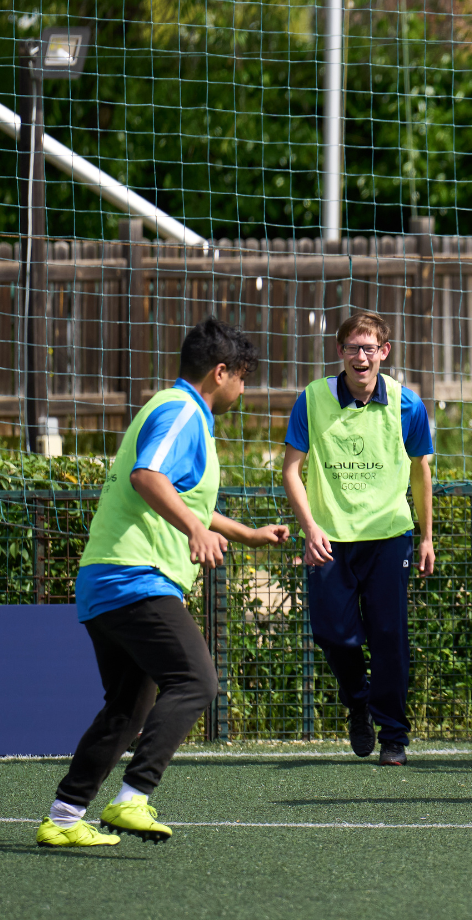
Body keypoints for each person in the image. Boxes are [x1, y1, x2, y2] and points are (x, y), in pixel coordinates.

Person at [37, 319, 290, 848]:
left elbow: (182, 494)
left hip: (107, 579)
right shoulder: (182, 411)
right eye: (242, 378)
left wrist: (245, 533)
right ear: (220, 372)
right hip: (133, 576)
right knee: (196, 681)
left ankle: (62, 817)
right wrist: (195, 530)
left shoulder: (174, 410)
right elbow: (147, 477)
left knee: (128, 707)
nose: (243, 391)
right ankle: (133, 798)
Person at [281, 312, 435, 767]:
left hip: (389, 537)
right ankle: (358, 702)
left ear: (384, 352)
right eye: (353, 348)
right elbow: (291, 470)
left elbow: (421, 472)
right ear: (340, 352)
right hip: (329, 539)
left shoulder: (407, 404)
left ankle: (394, 737)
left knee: (389, 636)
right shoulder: (312, 399)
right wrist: (310, 528)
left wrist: (427, 536)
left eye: (370, 348)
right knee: (333, 634)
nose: (361, 357)